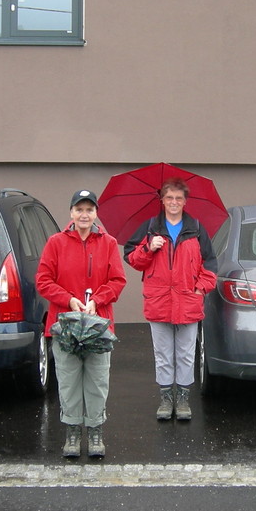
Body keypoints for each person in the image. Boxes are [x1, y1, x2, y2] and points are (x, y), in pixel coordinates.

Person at [36, 189, 127, 458]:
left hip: (98, 325)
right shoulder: (56, 242)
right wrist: (68, 299)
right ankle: (73, 431)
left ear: (96, 213)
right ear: (71, 213)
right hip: (65, 325)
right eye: (79, 209)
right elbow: (43, 280)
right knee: (68, 380)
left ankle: (96, 430)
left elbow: (118, 281)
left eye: (89, 209)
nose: (84, 215)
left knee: (97, 380)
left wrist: (98, 300)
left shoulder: (108, 243)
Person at [124, 178, 218, 421]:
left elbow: (210, 264)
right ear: (162, 200)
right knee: (163, 353)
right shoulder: (150, 228)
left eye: (178, 198)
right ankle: (166, 398)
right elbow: (132, 259)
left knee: (186, 353)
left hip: (188, 300)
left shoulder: (196, 228)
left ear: (185, 201)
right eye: (169, 198)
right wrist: (148, 248)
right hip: (159, 301)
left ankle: (183, 398)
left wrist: (200, 288)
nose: (174, 202)